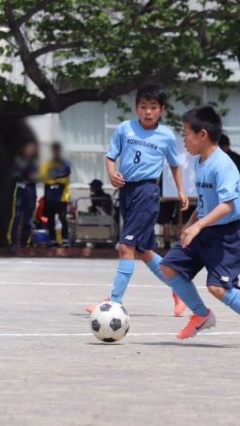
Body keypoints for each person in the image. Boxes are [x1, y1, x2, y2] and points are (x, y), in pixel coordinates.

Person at [160, 106, 240, 349]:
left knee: (217, 287)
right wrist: (191, 224)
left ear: (202, 134)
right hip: (203, 229)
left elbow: (228, 205)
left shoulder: (222, 165)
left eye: (186, 134)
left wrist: (198, 225)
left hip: (225, 236)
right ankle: (201, 314)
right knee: (169, 267)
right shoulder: (199, 161)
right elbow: (206, 201)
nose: (184, 140)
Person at [86, 83, 189, 316]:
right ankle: (179, 289)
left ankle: (114, 303)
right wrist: (112, 174)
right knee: (144, 250)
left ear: (162, 109)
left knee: (126, 247)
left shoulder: (166, 135)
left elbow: (175, 164)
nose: (148, 112)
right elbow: (111, 157)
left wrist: (181, 191)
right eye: (143, 107)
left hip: (147, 192)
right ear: (136, 108)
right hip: (126, 191)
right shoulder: (125, 129)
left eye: (153, 107)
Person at [8, 141, 39, 248]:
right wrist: (24, 176)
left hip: (31, 194)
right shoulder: (19, 161)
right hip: (20, 193)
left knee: (28, 219)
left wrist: (28, 176)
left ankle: (24, 242)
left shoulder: (36, 163)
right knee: (16, 217)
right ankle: (13, 241)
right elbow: (15, 175)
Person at [41, 142, 71, 245]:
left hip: (63, 197)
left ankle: (65, 240)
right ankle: (53, 240)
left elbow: (65, 175)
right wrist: (57, 177)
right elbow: (44, 176)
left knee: (63, 218)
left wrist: (52, 177)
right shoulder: (47, 163)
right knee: (50, 219)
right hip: (50, 196)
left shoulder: (65, 163)